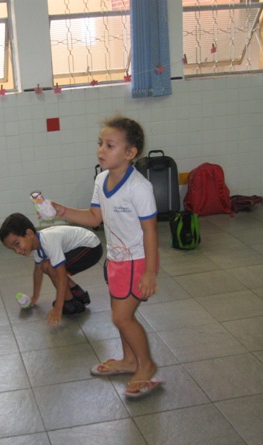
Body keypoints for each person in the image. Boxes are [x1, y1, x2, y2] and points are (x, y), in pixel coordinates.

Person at [51, 116, 162, 399]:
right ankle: (129, 360)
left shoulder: (139, 188)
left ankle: (146, 365)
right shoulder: (101, 180)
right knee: (121, 314)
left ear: (130, 152)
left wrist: (150, 272)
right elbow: (94, 218)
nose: (101, 150)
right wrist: (62, 211)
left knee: (121, 318)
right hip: (115, 260)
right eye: (100, 143)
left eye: (110, 145)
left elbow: (150, 231)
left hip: (137, 261)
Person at [0, 213, 103, 326]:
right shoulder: (38, 245)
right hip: (85, 246)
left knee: (52, 267)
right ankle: (79, 294)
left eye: (17, 244)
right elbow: (37, 271)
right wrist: (35, 296)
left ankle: (70, 304)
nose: (17, 251)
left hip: (91, 248)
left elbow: (62, 276)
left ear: (29, 233)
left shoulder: (49, 242)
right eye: (13, 249)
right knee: (44, 266)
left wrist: (58, 308)